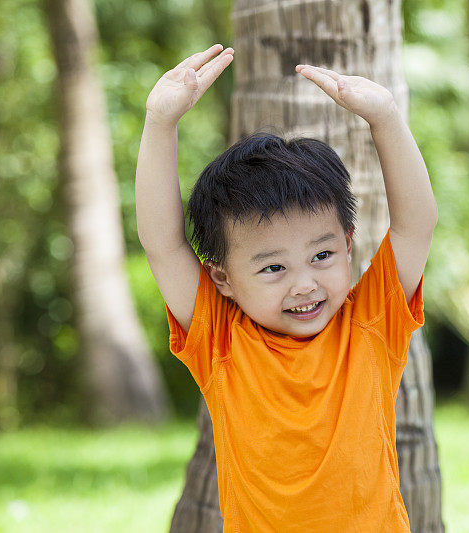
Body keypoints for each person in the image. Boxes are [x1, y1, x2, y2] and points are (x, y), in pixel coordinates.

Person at [135, 44, 438, 532]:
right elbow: (163, 245)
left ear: (347, 245)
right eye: (273, 268)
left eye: (321, 256)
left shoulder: (371, 323)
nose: (305, 284)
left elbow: (416, 225)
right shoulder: (221, 342)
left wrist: (384, 118)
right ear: (223, 279)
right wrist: (159, 123)